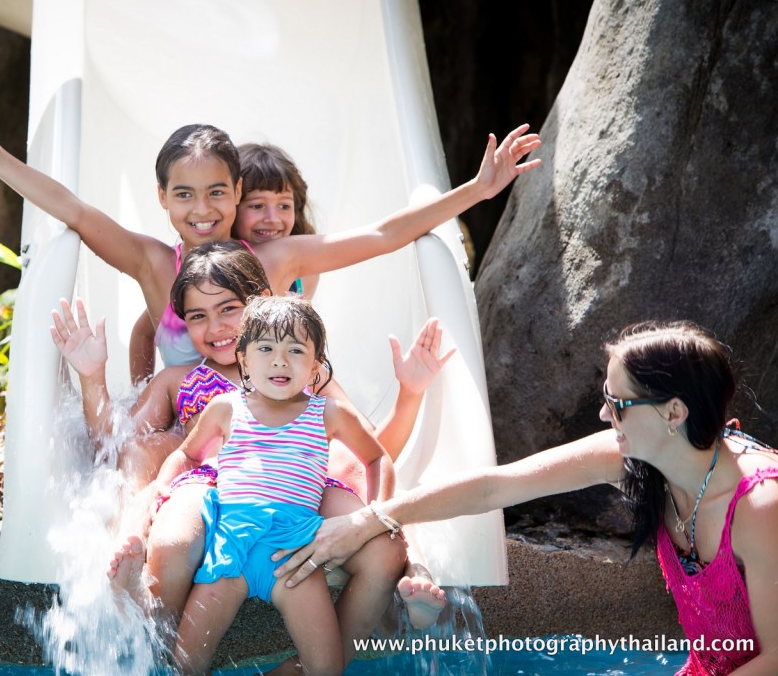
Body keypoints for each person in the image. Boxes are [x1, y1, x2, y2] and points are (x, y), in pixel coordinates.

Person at [273, 320, 778, 675]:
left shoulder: (760, 507)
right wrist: (373, 518)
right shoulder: (640, 459)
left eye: (618, 405)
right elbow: (497, 486)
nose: (605, 417)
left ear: (674, 413)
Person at [0, 94, 540, 372]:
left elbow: (381, 234)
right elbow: (74, 211)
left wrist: (476, 191)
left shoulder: (274, 259)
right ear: (161, 198)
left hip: (261, 435)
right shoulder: (153, 265)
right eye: (183, 194)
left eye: (218, 192)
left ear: (237, 194)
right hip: (189, 436)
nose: (202, 208)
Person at [52, 241, 450, 668]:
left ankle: (390, 596)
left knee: (384, 546)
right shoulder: (182, 380)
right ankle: (145, 620)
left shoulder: (303, 376)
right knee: (169, 538)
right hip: (214, 485)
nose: (217, 326)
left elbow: (374, 449)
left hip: (300, 487)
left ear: (261, 306)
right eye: (198, 316)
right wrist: (92, 377)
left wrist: (410, 395)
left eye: (229, 309)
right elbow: (114, 443)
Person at [164, 294, 390, 674]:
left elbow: (376, 456)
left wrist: (380, 512)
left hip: (295, 556)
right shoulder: (226, 407)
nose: (280, 360)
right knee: (185, 666)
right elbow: (187, 455)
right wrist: (163, 490)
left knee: (326, 669)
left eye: (296, 350)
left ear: (316, 367)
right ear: (244, 359)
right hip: (229, 550)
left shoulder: (327, 413)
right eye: (265, 348)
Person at [127, 141, 319, 383]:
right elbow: (143, 333)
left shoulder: (302, 274)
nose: (272, 219)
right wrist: (143, 391)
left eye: (284, 206)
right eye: (257, 206)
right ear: (234, 205)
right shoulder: (210, 277)